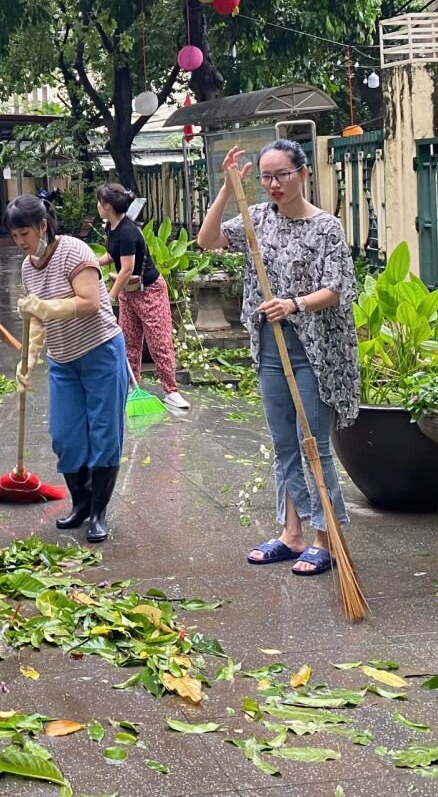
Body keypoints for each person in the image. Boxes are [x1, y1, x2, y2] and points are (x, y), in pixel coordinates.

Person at [196, 141, 359, 577]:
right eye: (265, 177)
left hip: (317, 350)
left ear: (302, 173)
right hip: (271, 346)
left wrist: (294, 304)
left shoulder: (326, 227)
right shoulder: (257, 219)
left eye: (281, 175)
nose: (273, 185)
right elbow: (207, 240)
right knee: (284, 441)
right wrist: (229, 190)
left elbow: (337, 289)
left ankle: (326, 537)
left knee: (313, 444)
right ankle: (292, 534)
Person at [10, 194, 127, 543]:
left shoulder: (74, 251)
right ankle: (80, 503)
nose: (21, 244)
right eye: (15, 237)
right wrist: (26, 361)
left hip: (100, 352)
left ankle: (99, 513)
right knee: (65, 436)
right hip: (62, 360)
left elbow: (90, 301)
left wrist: (46, 307)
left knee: (104, 434)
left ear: (43, 225)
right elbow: (37, 320)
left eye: (25, 235)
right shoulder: (28, 267)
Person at [96, 183, 187, 413]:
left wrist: (110, 295)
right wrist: (92, 262)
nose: (98, 206)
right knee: (129, 343)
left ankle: (171, 391)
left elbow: (127, 269)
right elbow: (112, 255)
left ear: (107, 206)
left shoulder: (127, 231)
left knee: (159, 341)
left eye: (99, 202)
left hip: (150, 291)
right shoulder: (112, 227)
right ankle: (130, 387)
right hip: (130, 293)